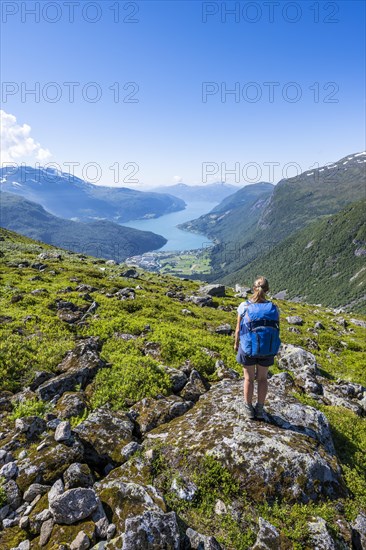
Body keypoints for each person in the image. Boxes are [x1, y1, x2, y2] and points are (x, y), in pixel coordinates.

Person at [234, 276, 279, 420]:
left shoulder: (244, 306)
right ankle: (260, 409)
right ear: (267, 290)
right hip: (267, 348)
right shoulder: (273, 308)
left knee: (248, 379)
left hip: (248, 347)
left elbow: (238, 330)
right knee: (263, 379)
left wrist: (236, 344)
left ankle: (248, 409)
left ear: (253, 288)